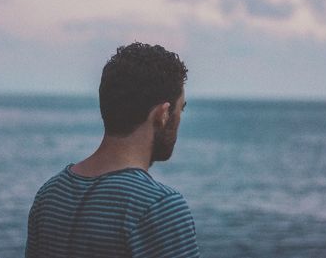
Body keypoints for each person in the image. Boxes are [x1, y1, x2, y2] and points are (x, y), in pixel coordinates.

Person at [26, 42, 200, 258]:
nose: (180, 118)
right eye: (181, 108)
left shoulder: (50, 195)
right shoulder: (158, 206)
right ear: (162, 114)